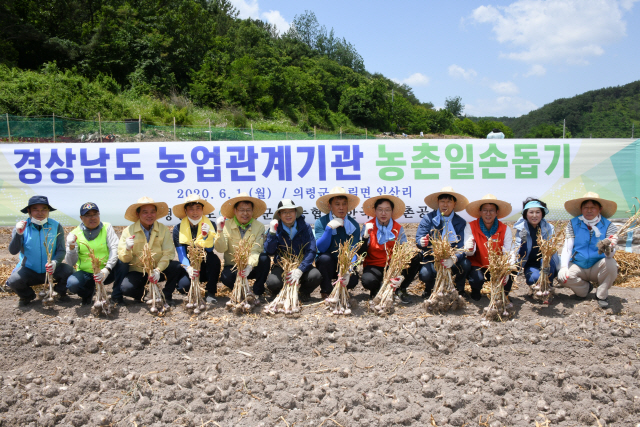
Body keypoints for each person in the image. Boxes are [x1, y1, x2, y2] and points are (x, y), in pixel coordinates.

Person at [112, 197, 183, 304]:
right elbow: (123, 258)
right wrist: (127, 249)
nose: (149, 215)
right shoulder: (128, 231)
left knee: (176, 266)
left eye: (152, 212)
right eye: (145, 212)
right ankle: (142, 294)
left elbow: (168, 253)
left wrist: (158, 270)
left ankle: (166, 295)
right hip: (138, 271)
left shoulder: (163, 229)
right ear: (138, 214)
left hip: (157, 270)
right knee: (126, 288)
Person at [7, 195, 73, 306]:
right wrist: (18, 234)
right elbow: (13, 251)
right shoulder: (22, 227)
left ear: (48, 211)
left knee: (70, 271)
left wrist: (55, 263)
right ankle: (27, 296)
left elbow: (61, 250)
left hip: (51, 270)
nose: (40, 213)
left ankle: (58, 293)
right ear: (29, 211)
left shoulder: (56, 226)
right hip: (29, 270)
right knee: (13, 281)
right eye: (35, 209)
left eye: (44, 209)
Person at [558, 192, 618, 308]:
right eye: (586, 207)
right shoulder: (573, 223)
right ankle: (584, 289)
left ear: (599, 209)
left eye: (593, 207)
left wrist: (610, 247)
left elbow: (610, 255)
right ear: (581, 209)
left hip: (598, 265)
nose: (589, 210)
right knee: (563, 278)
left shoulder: (609, 226)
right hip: (579, 264)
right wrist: (564, 267)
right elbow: (568, 247)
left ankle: (601, 294)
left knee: (611, 264)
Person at [359, 194, 421, 303]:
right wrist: (365, 237)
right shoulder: (368, 226)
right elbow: (361, 253)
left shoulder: (397, 227)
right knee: (368, 281)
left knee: (417, 257)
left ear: (392, 211)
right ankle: (377, 290)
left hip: (393, 265)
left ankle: (400, 288)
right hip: (374, 265)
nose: (383, 213)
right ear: (375, 211)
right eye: (380, 210)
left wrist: (400, 274)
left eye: (387, 210)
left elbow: (404, 250)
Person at [416, 187, 472, 299]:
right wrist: (422, 241)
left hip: (452, 258)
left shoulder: (460, 222)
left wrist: (453, 258)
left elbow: (462, 247)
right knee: (425, 274)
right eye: (442, 201)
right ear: (438, 203)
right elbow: (419, 239)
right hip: (432, 258)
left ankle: (459, 289)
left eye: (449, 201)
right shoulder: (428, 218)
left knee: (465, 264)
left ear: (454, 204)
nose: (445, 205)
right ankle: (429, 289)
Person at [215, 192, 270, 299]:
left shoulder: (259, 226)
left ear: (252, 211)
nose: (245, 213)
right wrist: (220, 231)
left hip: (252, 267)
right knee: (226, 277)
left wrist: (249, 266)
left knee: (264, 259)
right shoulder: (226, 225)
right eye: (241, 210)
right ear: (235, 211)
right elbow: (221, 249)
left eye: (248, 210)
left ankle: (258, 291)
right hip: (234, 267)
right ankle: (241, 289)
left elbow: (256, 249)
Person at [264, 199, 322, 301]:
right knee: (273, 283)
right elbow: (269, 251)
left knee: (315, 276)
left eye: (291, 211)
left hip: (301, 264)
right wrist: (272, 233)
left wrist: (301, 269)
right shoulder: (275, 228)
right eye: (284, 212)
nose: (288, 215)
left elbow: (311, 250)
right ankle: (280, 294)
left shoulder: (305, 227)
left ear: (295, 212)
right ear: (279, 214)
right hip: (282, 265)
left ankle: (303, 293)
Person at [64, 202, 119, 305]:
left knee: (122, 262)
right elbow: (71, 262)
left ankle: (117, 296)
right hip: (86, 273)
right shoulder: (74, 234)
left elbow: (114, 249)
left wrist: (107, 269)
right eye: (88, 215)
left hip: (107, 272)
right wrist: (71, 247)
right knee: (72, 284)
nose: (92, 218)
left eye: (95, 214)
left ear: (99, 215)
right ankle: (87, 293)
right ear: (81, 218)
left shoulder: (107, 227)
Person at [464, 194, 515, 300]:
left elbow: (509, 251)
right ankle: (476, 291)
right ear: (480, 212)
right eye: (485, 210)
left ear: (497, 212)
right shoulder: (471, 226)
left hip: (497, 266)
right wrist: (468, 248)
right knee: (476, 279)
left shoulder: (505, 229)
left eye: (491, 210)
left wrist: (506, 269)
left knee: (513, 270)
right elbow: (469, 252)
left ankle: (503, 294)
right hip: (478, 264)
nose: (488, 213)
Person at [172, 195, 221, 303]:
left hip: (205, 263)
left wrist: (206, 235)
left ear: (202, 210)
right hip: (189, 264)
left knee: (214, 259)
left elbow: (209, 249)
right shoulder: (178, 228)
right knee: (183, 287)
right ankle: (193, 288)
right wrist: (188, 268)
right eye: (191, 209)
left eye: (198, 208)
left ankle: (210, 292)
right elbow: (181, 254)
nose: (195, 212)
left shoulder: (211, 225)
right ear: (185, 211)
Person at [314, 187, 361, 299]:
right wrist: (329, 229)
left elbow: (353, 249)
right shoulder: (321, 222)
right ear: (330, 206)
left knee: (353, 279)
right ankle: (326, 290)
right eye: (337, 204)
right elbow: (321, 247)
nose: (341, 207)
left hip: (343, 263)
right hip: (328, 263)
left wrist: (348, 268)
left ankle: (342, 289)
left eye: (344, 204)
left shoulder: (353, 224)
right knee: (324, 259)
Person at [513, 198, 559, 289]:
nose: (534, 215)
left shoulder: (549, 228)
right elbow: (520, 255)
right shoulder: (521, 229)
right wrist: (524, 241)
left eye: (538, 212)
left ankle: (549, 286)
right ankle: (537, 288)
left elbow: (551, 251)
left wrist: (546, 265)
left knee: (546, 266)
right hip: (531, 264)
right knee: (532, 279)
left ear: (542, 214)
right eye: (531, 212)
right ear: (526, 214)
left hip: (548, 262)